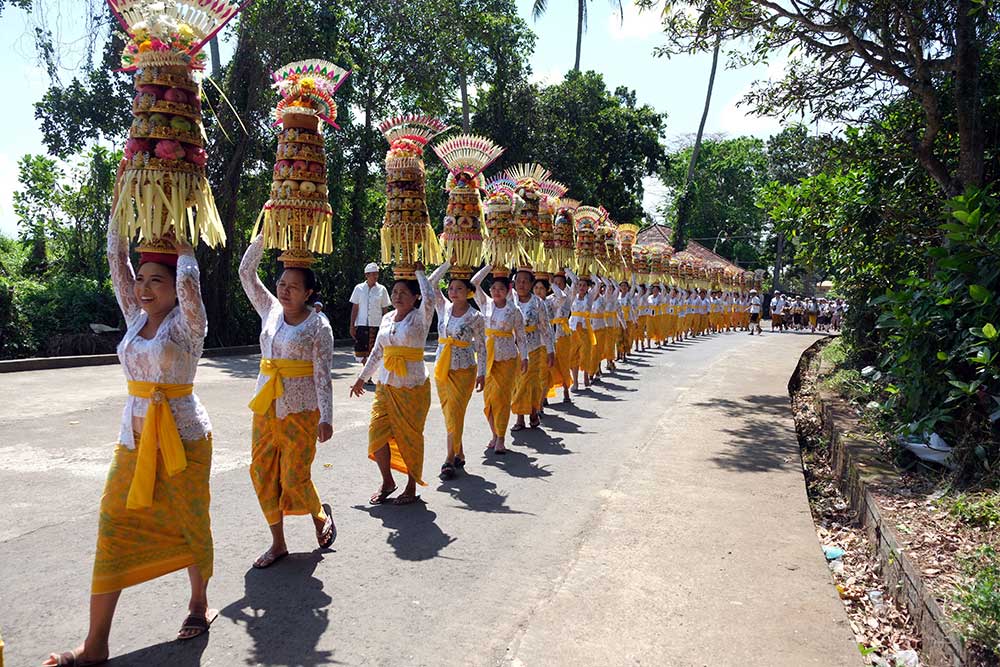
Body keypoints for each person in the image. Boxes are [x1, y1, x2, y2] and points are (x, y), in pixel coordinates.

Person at [45, 216, 216, 666]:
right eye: (140, 280)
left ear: (175, 285)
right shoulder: (134, 316)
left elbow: (192, 294)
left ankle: (198, 603)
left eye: (155, 281)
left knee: (190, 523)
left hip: (185, 441)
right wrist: (121, 210)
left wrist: (185, 256)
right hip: (133, 442)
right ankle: (95, 642)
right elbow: (117, 262)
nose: (143, 288)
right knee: (112, 525)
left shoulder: (187, 325)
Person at [239, 235, 335, 570]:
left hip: (302, 411)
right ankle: (278, 542)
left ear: (309, 292)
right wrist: (268, 232)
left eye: (294, 286)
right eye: (282, 283)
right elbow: (246, 273)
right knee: (262, 472)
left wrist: (326, 416)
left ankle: (319, 514)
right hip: (266, 406)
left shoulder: (318, 326)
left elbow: (323, 374)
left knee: (295, 477)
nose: (284, 290)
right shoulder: (270, 310)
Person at [350, 263, 438, 505]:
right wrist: (361, 378)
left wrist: (420, 272)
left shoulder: (420, 317)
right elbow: (378, 352)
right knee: (376, 434)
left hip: (413, 387)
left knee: (410, 437)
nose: (398, 296)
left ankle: (411, 485)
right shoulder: (387, 318)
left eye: (404, 293)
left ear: (415, 297)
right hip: (386, 385)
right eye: (395, 292)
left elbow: (430, 295)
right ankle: (387, 481)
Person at [429, 261, 487, 480]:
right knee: (449, 413)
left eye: (459, 289)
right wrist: (448, 264)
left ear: (468, 292)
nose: (453, 292)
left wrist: (482, 372)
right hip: (442, 368)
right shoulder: (442, 306)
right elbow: (431, 282)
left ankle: (448, 460)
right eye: (451, 288)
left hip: (464, 370)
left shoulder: (476, 317)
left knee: (455, 412)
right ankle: (459, 452)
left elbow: (481, 346)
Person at [473, 265, 528, 454]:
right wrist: (490, 265)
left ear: (508, 291)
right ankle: (494, 433)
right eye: (494, 288)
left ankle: (502, 437)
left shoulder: (514, 311)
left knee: (502, 398)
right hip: (487, 357)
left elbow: (520, 336)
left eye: (501, 289)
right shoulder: (485, 304)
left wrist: (525, 357)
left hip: (507, 358)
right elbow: (473, 283)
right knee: (488, 399)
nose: (497, 292)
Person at [511, 269, 555, 431]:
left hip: (534, 348)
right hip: (514, 349)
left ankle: (533, 412)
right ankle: (519, 417)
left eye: (525, 281)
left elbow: (545, 327)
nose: (521, 284)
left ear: (531, 284)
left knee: (532, 383)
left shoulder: (538, 303)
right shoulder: (510, 300)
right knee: (517, 384)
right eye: (518, 281)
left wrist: (550, 350)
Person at [349, 262, 391, 366]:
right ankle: (366, 373)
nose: (375, 276)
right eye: (372, 274)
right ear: (367, 275)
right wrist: (352, 326)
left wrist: (387, 325)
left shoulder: (382, 289)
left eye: (376, 274)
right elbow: (355, 308)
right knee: (361, 352)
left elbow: (385, 309)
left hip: (376, 325)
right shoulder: (359, 288)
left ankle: (368, 376)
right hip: (362, 325)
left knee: (374, 352)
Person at [567, 268, 601, 386]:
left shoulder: (590, 298)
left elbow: (598, 284)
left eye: (584, 285)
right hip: (573, 328)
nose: (581, 287)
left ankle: (586, 376)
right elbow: (573, 280)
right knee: (573, 354)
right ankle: (575, 382)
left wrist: (590, 273)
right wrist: (567, 268)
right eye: (579, 285)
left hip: (585, 328)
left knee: (585, 354)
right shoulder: (573, 296)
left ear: (587, 288)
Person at [548, 270, 575, 403]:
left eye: (560, 283)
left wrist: (566, 270)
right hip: (551, 334)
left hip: (563, 334)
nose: (557, 285)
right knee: (549, 365)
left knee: (564, 364)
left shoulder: (568, 297)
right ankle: (545, 393)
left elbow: (575, 281)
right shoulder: (548, 299)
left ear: (565, 285)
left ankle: (566, 390)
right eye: (555, 283)